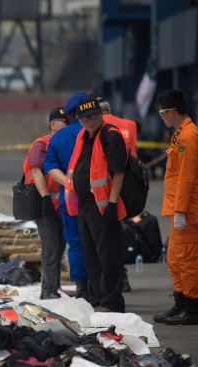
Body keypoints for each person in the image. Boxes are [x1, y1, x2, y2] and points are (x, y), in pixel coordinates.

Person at [64, 96, 127, 313]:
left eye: (93, 116)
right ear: (79, 120)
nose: (89, 121)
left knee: (108, 254)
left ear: (101, 115)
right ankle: (98, 299)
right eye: (84, 118)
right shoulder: (84, 136)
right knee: (91, 255)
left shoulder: (110, 135)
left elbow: (119, 171)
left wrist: (111, 204)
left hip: (102, 205)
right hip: (85, 205)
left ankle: (111, 302)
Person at [154, 89, 198, 325]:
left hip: (188, 207)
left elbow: (186, 177)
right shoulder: (182, 134)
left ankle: (192, 309)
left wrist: (181, 211)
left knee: (186, 259)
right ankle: (181, 303)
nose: (162, 118)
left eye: (162, 114)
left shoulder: (187, 137)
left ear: (172, 112)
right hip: (180, 205)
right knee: (175, 258)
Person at [43, 93, 90, 300]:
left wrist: (69, 183)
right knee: (100, 244)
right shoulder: (98, 132)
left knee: (76, 244)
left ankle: (82, 289)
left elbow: (50, 166)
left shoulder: (58, 138)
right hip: (101, 201)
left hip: (70, 202)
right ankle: (103, 289)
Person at [24, 106, 69, 299]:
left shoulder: (67, 142)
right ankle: (49, 290)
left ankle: (52, 287)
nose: (67, 124)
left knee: (59, 247)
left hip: (62, 206)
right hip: (45, 206)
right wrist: (45, 199)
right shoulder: (41, 144)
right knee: (51, 248)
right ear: (52, 124)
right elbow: (36, 171)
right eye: (63, 121)